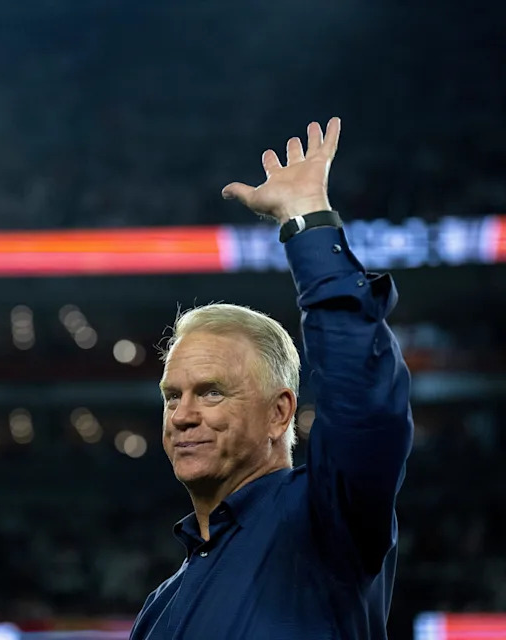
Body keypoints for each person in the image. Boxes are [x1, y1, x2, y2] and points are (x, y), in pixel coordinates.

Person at [130, 118, 413, 639]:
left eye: (211, 391)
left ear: (279, 411)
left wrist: (308, 223)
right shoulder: (159, 608)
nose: (183, 415)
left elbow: (366, 405)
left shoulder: (324, 522)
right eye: (173, 396)